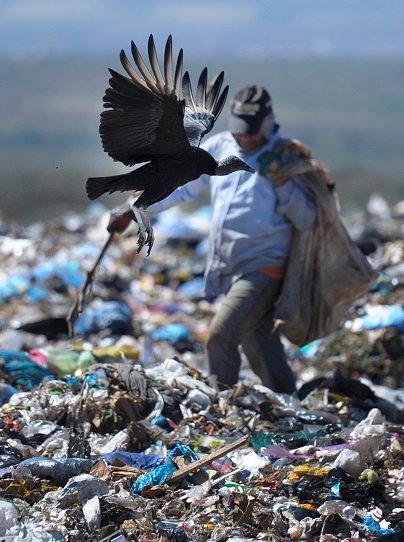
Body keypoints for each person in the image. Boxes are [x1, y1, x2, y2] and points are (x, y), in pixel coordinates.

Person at [108, 85, 317, 394]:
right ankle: (289, 400)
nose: (244, 137)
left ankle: (219, 404)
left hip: (266, 268)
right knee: (257, 340)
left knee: (221, 336)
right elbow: (180, 187)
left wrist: (282, 181)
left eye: (252, 131)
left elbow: (308, 219)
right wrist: (133, 209)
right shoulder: (219, 146)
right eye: (240, 129)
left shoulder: (287, 157)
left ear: (268, 123)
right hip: (230, 266)